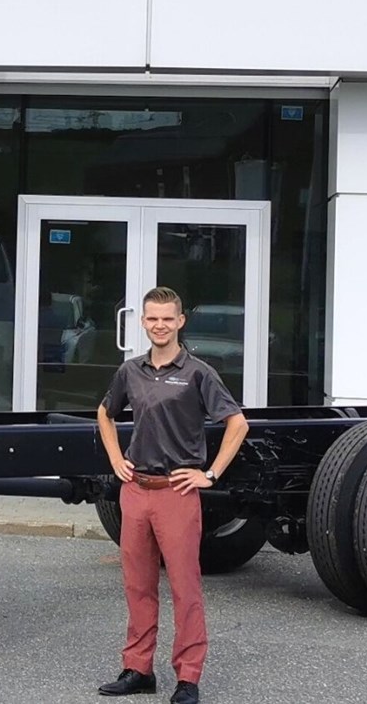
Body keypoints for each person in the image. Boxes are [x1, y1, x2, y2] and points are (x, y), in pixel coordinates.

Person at [94, 287, 249, 704]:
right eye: (152, 319)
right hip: (136, 490)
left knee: (185, 587)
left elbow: (237, 424)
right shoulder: (131, 371)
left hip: (176, 493)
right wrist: (115, 458)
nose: (159, 325)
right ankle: (138, 668)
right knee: (138, 585)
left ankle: (188, 677)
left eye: (167, 318)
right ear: (142, 322)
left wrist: (210, 473)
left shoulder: (198, 372)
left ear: (180, 321)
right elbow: (105, 413)